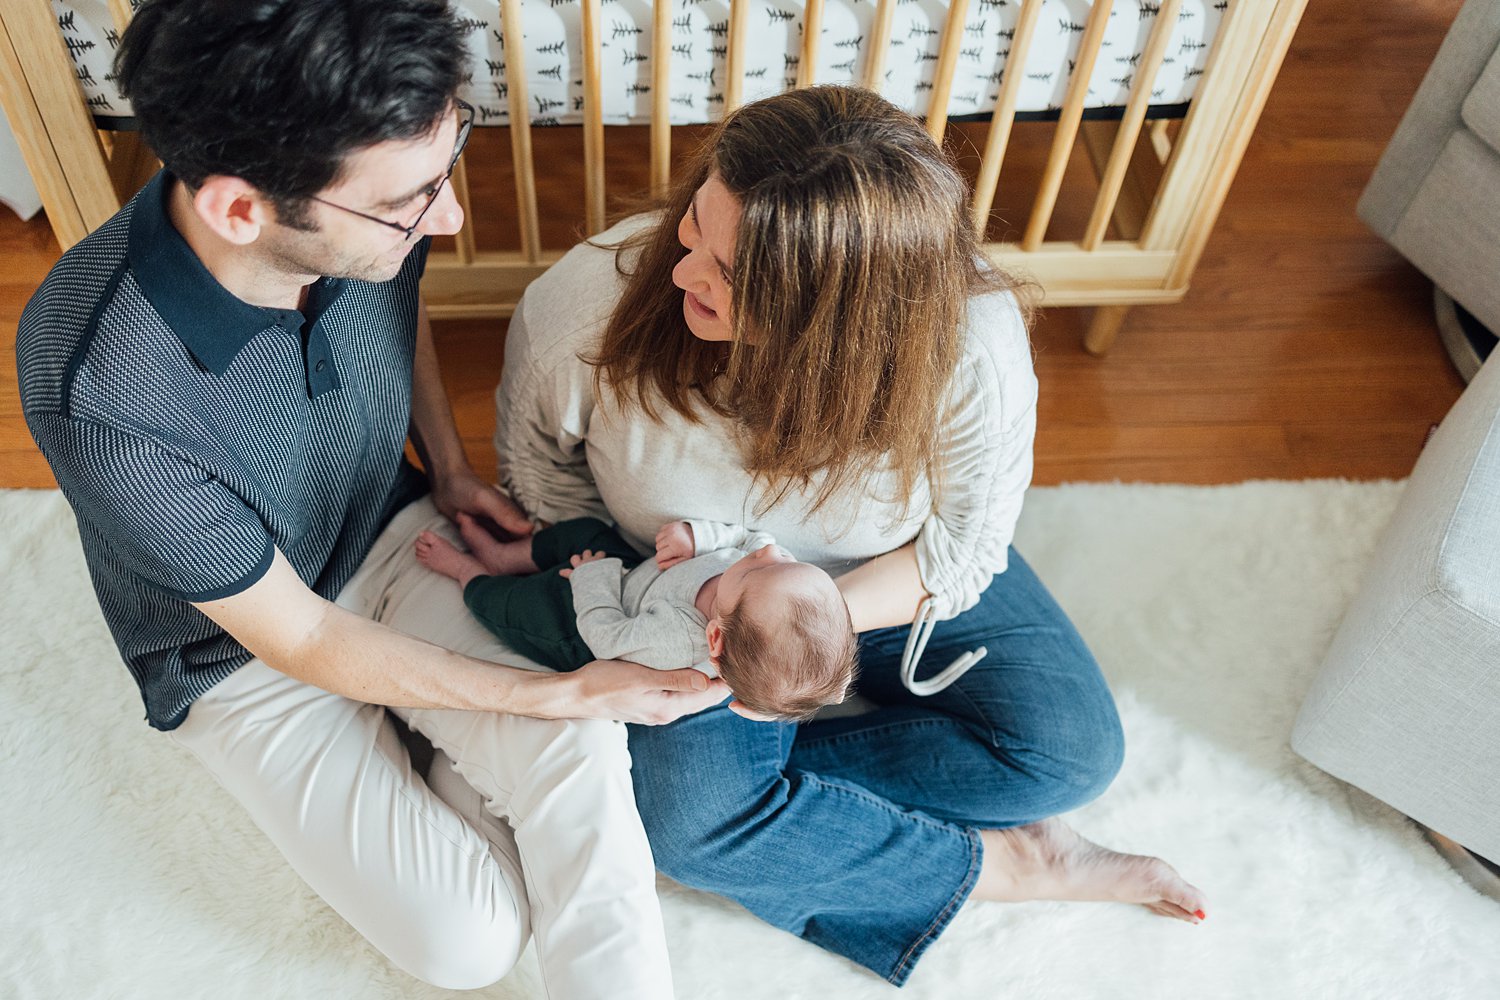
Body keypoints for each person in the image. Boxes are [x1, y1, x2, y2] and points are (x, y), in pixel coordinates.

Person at [14, 1, 725, 996]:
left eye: (445, 166)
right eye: (410, 203)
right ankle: (439, 727)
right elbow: (300, 639)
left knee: (579, 760)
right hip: (241, 653)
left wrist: (447, 461)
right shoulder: (99, 385)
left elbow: (396, 308)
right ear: (238, 210)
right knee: (472, 941)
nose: (448, 217)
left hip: (391, 534)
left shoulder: (374, 200)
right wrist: (552, 692)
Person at [495, 85, 1209, 986]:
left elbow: (961, 551)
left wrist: (804, 629)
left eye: (726, 274)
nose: (681, 273)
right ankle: (1009, 865)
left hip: (884, 578)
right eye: (694, 232)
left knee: (1067, 752)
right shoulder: (585, 313)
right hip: (689, 599)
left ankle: (784, 807)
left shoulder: (967, 344)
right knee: (684, 823)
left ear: (834, 319)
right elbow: (543, 478)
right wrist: (686, 615)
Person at [414, 514, 859, 720]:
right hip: (633, 577)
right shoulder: (758, 578)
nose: (767, 551)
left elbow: (608, 638)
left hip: (584, 623)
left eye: (763, 565)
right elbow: (750, 537)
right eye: (788, 559)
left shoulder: (672, 641)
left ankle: (467, 571)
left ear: (715, 640)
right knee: (585, 529)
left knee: (512, 607)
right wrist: (696, 538)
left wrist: (591, 578)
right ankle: (503, 554)